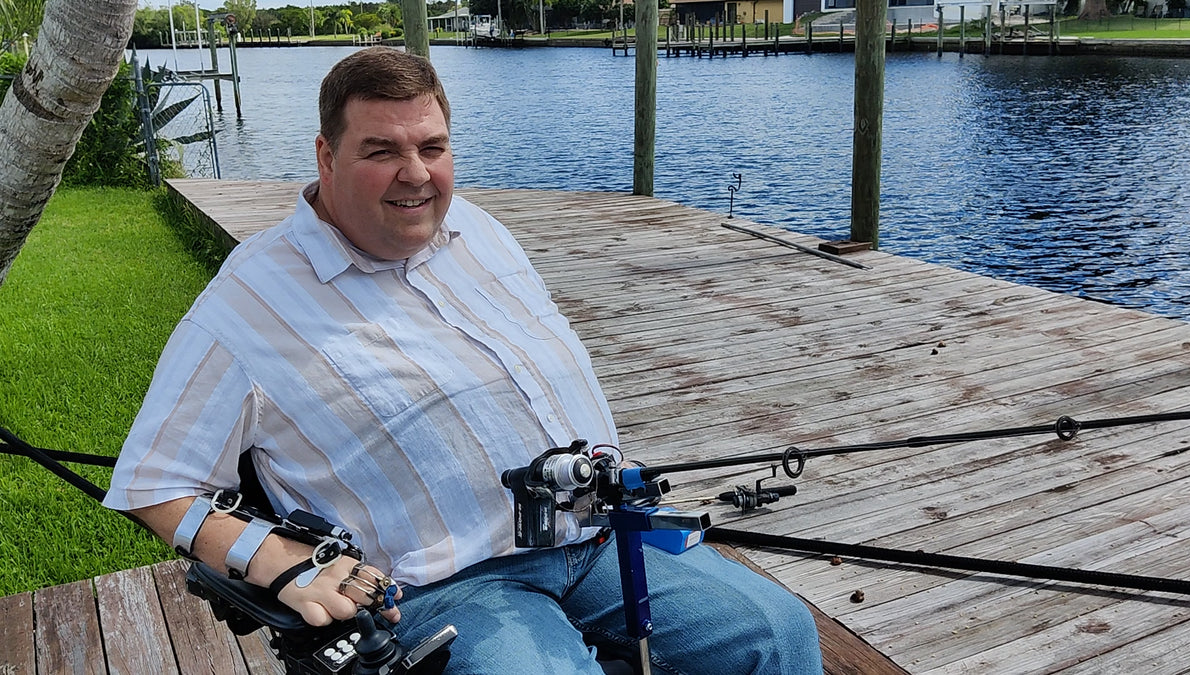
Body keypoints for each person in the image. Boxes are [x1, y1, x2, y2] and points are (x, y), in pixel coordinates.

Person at [104, 47, 822, 673]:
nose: (416, 174)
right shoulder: (246, 305)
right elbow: (154, 483)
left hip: (597, 531)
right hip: (447, 583)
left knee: (777, 632)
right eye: (381, 150)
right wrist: (283, 564)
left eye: (433, 147)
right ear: (325, 155)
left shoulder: (475, 227)